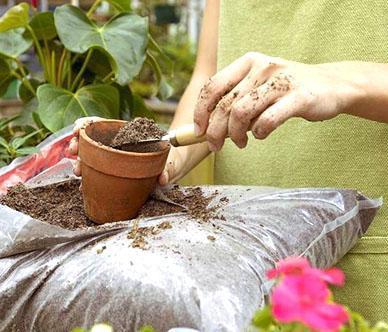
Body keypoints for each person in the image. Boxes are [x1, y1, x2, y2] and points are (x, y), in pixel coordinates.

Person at [69, 0, 388, 321]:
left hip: (366, 260)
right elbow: (209, 79)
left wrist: (347, 82)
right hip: (239, 264)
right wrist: (167, 159)